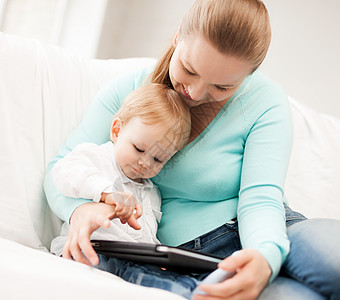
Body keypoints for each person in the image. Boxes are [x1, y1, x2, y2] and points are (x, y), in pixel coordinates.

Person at [44, 0, 340, 299]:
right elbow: (62, 163)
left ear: (248, 76)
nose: (196, 94)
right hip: (190, 263)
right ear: (177, 37)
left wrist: (265, 256)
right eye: (189, 69)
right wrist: (80, 209)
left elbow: (261, 197)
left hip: (272, 232)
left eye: (223, 87)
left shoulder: (266, 101)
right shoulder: (131, 91)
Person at [50, 83, 191, 257]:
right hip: (87, 249)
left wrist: (157, 257)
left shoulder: (151, 192)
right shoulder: (97, 156)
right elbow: (63, 172)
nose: (145, 163)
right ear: (117, 131)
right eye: (139, 149)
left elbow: (145, 234)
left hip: (130, 258)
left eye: (158, 159)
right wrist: (106, 192)